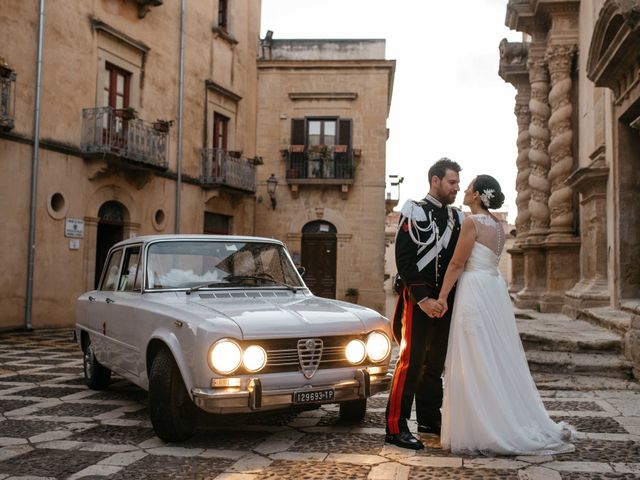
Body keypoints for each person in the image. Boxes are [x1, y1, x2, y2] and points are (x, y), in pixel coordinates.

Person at [435, 175, 575, 455]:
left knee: (474, 357)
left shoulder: (472, 222)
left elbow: (456, 263)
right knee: (494, 355)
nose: (464, 189)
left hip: (474, 289)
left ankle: (485, 425)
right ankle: (500, 415)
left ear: (477, 195)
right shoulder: (498, 226)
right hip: (493, 289)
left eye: (469, 186)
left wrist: (441, 297)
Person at [384, 158, 465, 450]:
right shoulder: (414, 211)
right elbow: (405, 260)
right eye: (451, 182)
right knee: (410, 363)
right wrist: (423, 299)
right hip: (418, 301)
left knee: (434, 364)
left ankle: (429, 419)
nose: (456, 188)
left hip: (444, 302)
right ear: (435, 181)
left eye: (457, 183)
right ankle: (395, 426)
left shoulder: (457, 218)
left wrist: (442, 300)